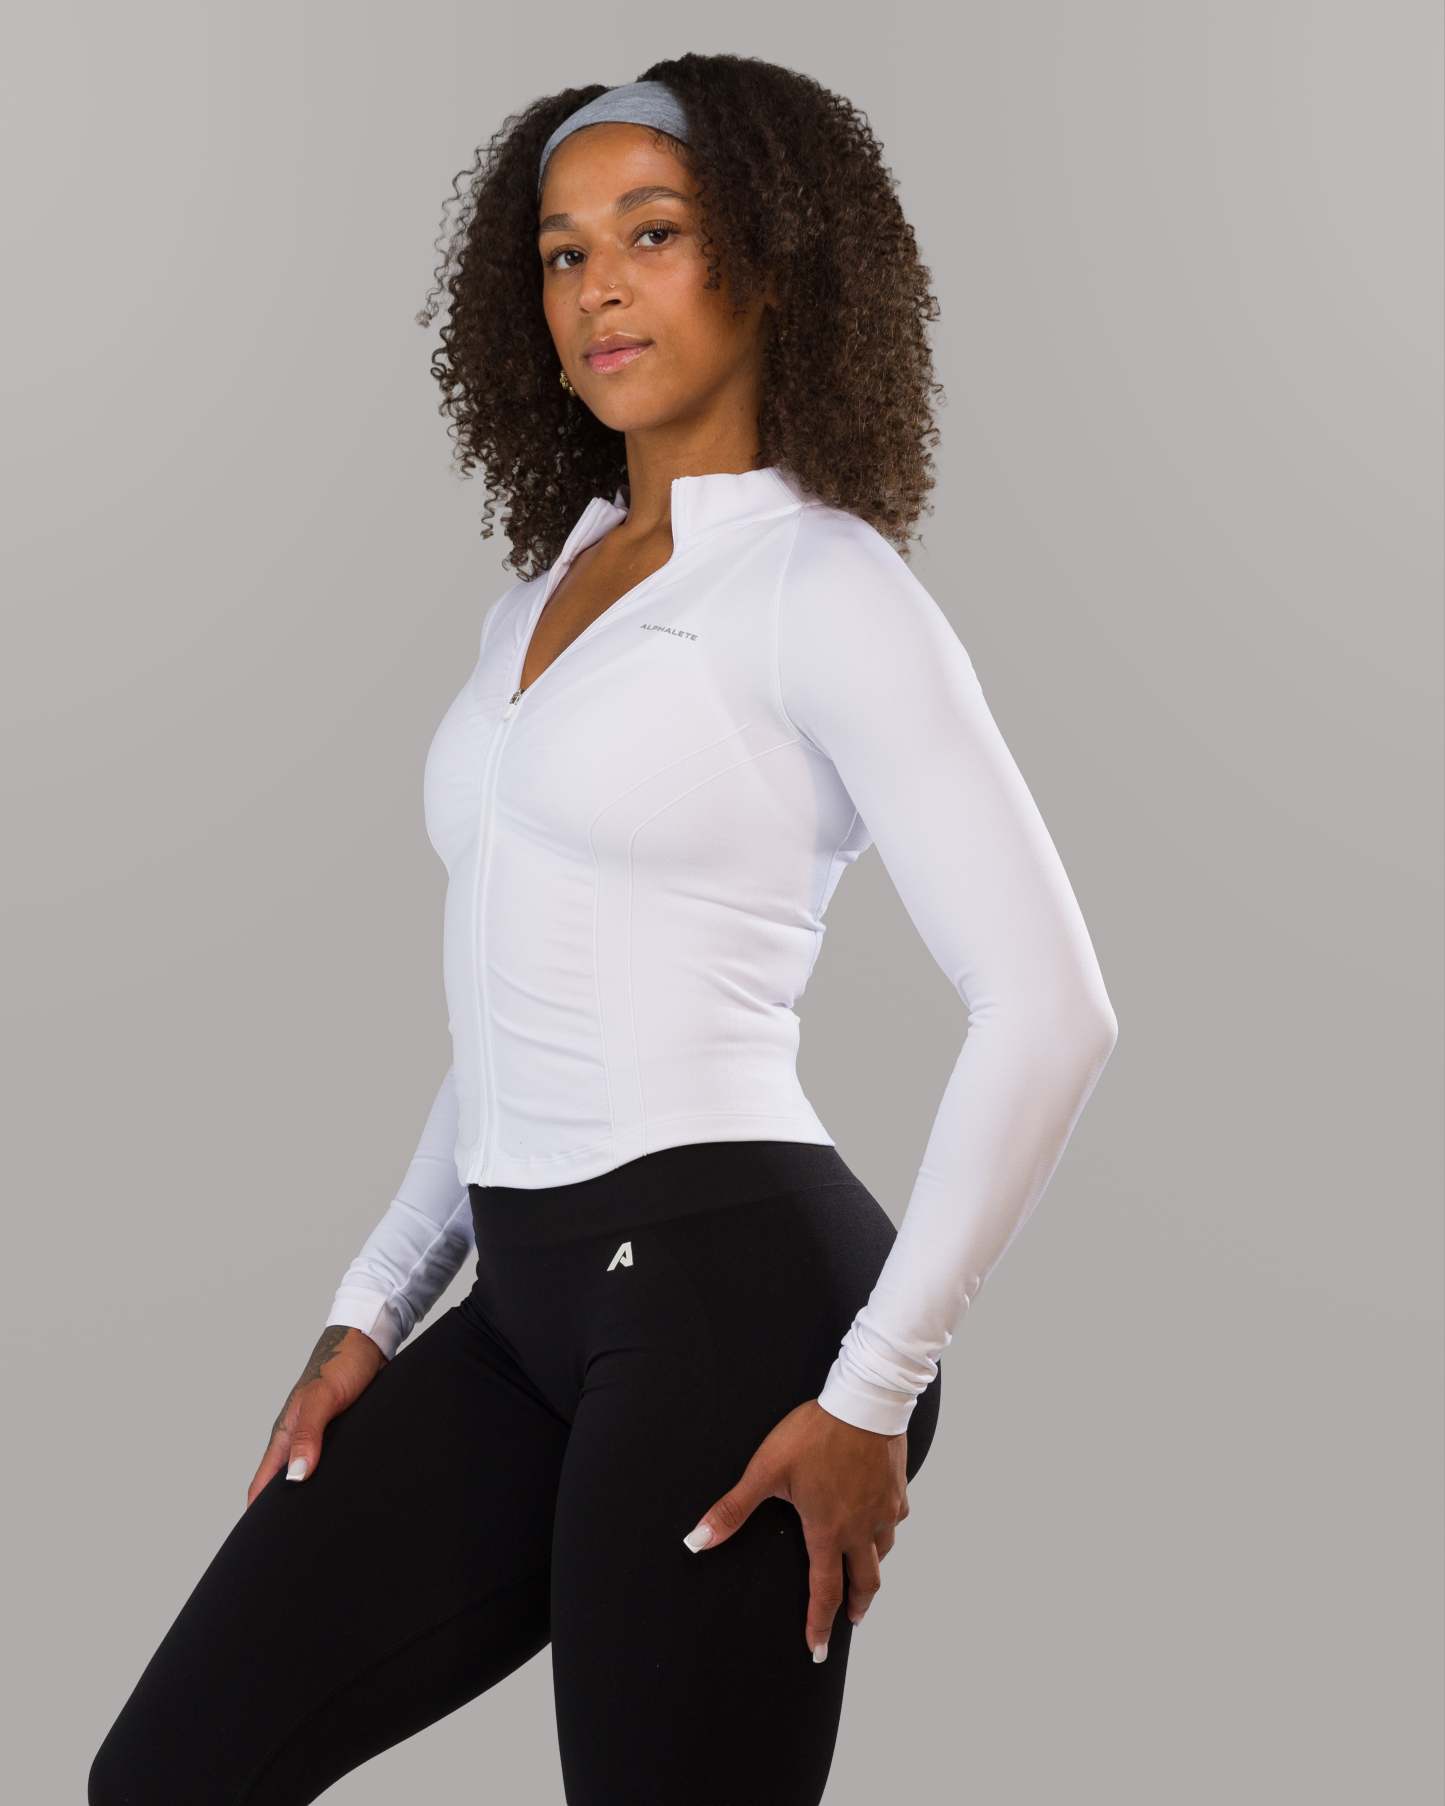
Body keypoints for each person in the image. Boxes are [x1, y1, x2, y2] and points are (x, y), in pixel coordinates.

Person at [88, 54, 1118, 1806]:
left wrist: (874, 1390)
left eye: (654, 234)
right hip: (521, 1303)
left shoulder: (821, 585)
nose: (599, 288)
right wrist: (368, 1307)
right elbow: (516, 1007)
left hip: (741, 1304)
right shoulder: (540, 595)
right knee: (167, 1774)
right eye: (563, 254)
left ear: (770, 263)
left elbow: (1051, 1007)